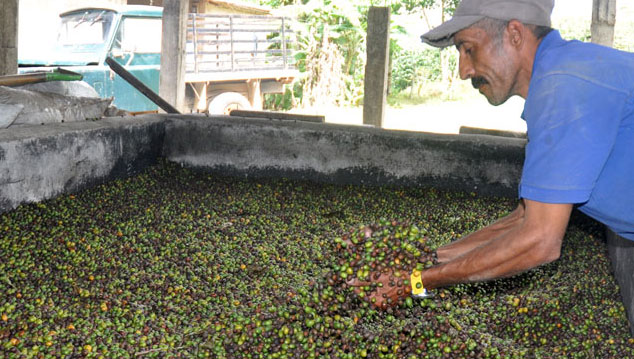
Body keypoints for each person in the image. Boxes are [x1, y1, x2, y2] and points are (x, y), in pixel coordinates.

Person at [349, 0, 634, 332]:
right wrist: (429, 259)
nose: (463, 71)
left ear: (514, 33)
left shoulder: (565, 88)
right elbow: (526, 217)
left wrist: (413, 282)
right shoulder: (566, 73)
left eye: (468, 49)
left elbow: (539, 241)